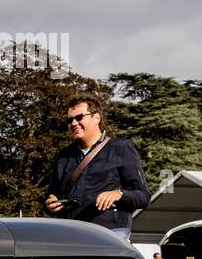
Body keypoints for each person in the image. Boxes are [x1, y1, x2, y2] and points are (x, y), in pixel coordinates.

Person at [43, 96, 149, 240]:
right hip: (70, 234)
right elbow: (52, 195)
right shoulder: (63, 156)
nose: (74, 123)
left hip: (108, 236)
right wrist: (50, 204)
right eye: (70, 120)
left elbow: (143, 196)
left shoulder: (121, 147)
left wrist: (118, 194)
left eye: (79, 117)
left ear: (96, 118)